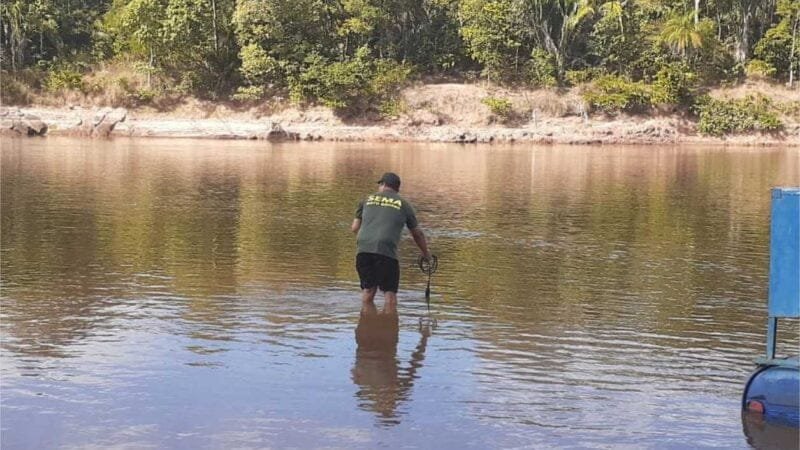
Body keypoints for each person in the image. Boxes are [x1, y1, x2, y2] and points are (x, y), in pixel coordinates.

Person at [351, 172, 431, 310]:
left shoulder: (366, 200)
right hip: (386, 251)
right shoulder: (404, 205)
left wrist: (369, 238)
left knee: (368, 290)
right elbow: (417, 234)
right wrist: (426, 254)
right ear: (397, 188)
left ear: (383, 185)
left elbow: (354, 228)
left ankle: (365, 324)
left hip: (363, 250)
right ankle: (388, 327)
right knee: (390, 294)